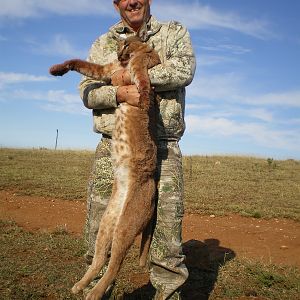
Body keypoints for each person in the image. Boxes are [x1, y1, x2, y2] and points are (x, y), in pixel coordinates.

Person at [79, 0, 196, 299]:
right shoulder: (103, 42)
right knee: (99, 234)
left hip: (163, 148)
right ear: (116, 4)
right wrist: (117, 91)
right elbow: (87, 91)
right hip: (115, 148)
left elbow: (184, 70)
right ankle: (96, 291)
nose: (132, 1)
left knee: (166, 241)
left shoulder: (173, 32)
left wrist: (134, 72)